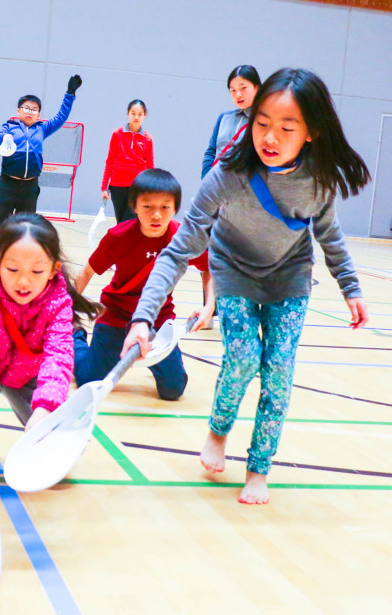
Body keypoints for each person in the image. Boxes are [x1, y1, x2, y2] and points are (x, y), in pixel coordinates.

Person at [124, 68, 370, 505]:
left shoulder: (320, 178)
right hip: (234, 271)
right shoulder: (228, 174)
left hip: (290, 277)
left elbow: (329, 233)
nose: (270, 137)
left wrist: (349, 285)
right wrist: (143, 317)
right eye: (261, 124)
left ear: (311, 132)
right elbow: (178, 251)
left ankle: (259, 467)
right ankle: (218, 430)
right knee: (241, 357)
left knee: (279, 371)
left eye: (285, 127)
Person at [0, 213, 100, 471]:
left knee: (61, 450)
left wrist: (45, 409)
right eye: (13, 269)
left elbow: (59, 359)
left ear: (53, 270)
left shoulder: (59, 302)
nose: (23, 281)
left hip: (29, 373)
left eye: (37, 271)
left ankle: (51, 435)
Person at [74, 169, 213, 400]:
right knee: (88, 380)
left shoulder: (182, 238)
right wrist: (62, 309)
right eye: (148, 206)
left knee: (173, 390)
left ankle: (156, 363)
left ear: (175, 208)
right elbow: (88, 272)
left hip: (157, 323)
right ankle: (75, 336)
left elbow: (209, 268)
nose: (156, 215)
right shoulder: (118, 237)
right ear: (134, 206)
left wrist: (209, 306)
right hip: (115, 317)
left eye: (165, 207)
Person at [0, 75, 82, 275]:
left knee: (26, 230)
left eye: (34, 109)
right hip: (8, 185)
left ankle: (19, 265)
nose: (30, 112)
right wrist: (3, 138)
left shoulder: (42, 129)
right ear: (18, 110)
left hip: (30, 188)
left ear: (38, 114)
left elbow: (61, 117)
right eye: (26, 108)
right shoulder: (9, 127)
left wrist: (70, 94)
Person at [201, 65, 260, 179]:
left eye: (244, 88)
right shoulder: (224, 118)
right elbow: (211, 151)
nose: (238, 94)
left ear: (257, 88)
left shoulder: (264, 121)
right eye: (233, 90)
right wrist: (206, 178)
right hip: (216, 185)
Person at [100, 100, 154, 223]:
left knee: (128, 222)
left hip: (137, 187)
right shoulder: (117, 134)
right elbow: (110, 161)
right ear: (128, 113)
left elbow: (150, 167)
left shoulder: (148, 139)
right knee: (121, 223)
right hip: (117, 186)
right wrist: (104, 188)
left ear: (144, 116)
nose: (136, 117)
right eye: (133, 113)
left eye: (140, 114)